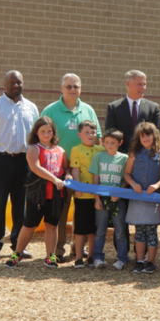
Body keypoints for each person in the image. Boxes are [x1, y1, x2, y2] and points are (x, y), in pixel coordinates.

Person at [0, 70, 40, 259]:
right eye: (12, 82)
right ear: (4, 84)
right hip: (1, 161)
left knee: (20, 204)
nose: (15, 86)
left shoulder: (31, 108)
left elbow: (35, 137)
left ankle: (18, 244)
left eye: (18, 82)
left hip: (23, 162)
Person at [42, 73, 102, 259]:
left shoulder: (88, 110)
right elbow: (42, 138)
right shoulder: (50, 111)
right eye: (69, 86)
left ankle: (78, 249)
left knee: (82, 211)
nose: (72, 89)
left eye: (76, 86)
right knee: (60, 212)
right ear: (62, 88)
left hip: (85, 173)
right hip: (59, 171)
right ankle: (58, 250)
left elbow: (97, 137)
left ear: (80, 88)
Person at [5, 117, 68, 269]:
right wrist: (54, 179)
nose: (46, 134)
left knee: (52, 225)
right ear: (37, 133)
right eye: (43, 131)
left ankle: (50, 256)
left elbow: (66, 169)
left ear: (53, 133)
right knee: (29, 225)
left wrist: (68, 176)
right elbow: (35, 167)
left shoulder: (61, 150)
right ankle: (17, 253)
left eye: (49, 131)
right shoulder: (34, 149)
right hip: (37, 194)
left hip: (56, 194)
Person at [124, 122, 160, 275]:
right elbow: (126, 174)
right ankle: (139, 260)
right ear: (139, 138)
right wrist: (133, 184)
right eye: (143, 136)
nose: (146, 138)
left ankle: (151, 261)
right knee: (139, 231)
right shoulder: (133, 154)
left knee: (151, 230)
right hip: (137, 198)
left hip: (153, 200)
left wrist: (157, 185)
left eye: (149, 135)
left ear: (154, 136)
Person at [89, 129, 129, 270]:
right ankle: (98, 257)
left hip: (118, 200)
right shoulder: (99, 157)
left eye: (113, 143)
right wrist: (97, 198)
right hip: (102, 198)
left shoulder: (124, 158)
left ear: (120, 143)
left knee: (120, 230)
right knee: (100, 230)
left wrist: (119, 192)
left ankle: (122, 258)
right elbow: (95, 178)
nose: (110, 145)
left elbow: (126, 178)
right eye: (107, 142)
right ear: (103, 142)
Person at [67, 121, 104, 269]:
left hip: (97, 195)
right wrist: (77, 187)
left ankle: (91, 256)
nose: (91, 135)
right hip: (82, 195)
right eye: (87, 132)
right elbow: (75, 170)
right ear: (79, 135)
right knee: (81, 227)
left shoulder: (101, 150)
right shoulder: (76, 150)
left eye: (93, 132)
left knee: (93, 228)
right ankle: (78, 258)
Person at [105, 70, 160, 155]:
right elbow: (111, 135)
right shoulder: (114, 108)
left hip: (145, 159)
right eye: (139, 84)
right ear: (128, 84)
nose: (143, 88)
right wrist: (124, 155)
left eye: (144, 84)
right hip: (121, 158)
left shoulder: (153, 108)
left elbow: (157, 136)